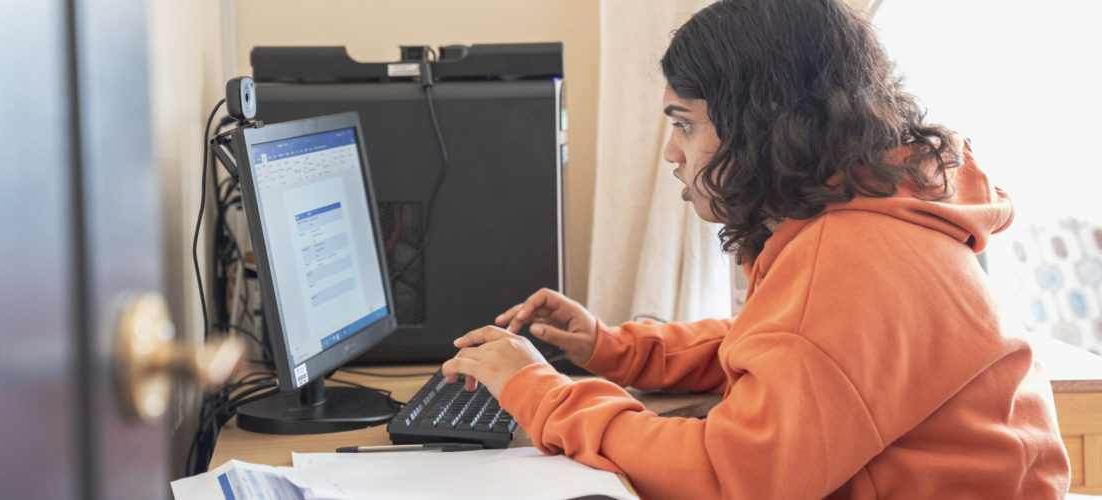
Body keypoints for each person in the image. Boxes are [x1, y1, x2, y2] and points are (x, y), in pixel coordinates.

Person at [439, 0, 1072, 498]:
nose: (671, 154)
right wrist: (613, 347)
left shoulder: (851, 257)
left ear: (763, 117)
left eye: (684, 123)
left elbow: (729, 479)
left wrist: (539, 391)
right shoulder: (866, 218)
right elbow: (781, 346)